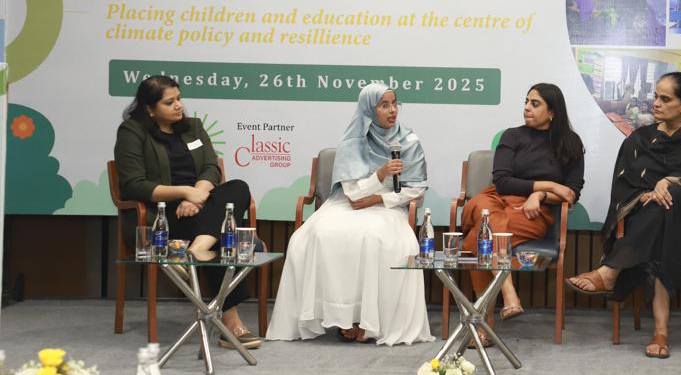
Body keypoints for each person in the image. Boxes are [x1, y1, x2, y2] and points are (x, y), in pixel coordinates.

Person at [566, 72, 681, 359]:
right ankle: (659, 332)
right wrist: (645, 195)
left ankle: (610, 271)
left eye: (665, 99)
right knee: (664, 213)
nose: (656, 103)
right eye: (656, 96)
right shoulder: (640, 139)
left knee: (671, 199)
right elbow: (625, 185)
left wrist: (673, 181)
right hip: (655, 220)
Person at [266, 83, 432, 345]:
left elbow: (416, 190)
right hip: (346, 203)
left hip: (388, 205)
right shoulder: (352, 141)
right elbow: (353, 193)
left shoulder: (409, 141)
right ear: (368, 109)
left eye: (394, 103)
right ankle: (343, 317)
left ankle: (368, 321)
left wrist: (380, 197)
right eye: (384, 105)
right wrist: (381, 174)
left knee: (374, 237)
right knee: (316, 234)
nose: (392, 110)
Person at [114, 75, 261, 349]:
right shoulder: (132, 132)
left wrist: (198, 196)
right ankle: (232, 325)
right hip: (160, 219)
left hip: (199, 211)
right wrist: (184, 192)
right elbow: (133, 184)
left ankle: (195, 250)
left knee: (238, 187)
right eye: (169, 102)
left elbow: (211, 167)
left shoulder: (193, 127)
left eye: (179, 98)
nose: (178, 105)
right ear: (149, 109)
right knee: (225, 237)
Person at [461, 84, 584, 329]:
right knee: (486, 214)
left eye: (535, 103)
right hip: (494, 198)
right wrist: (548, 185)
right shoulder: (512, 136)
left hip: (531, 212)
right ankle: (509, 293)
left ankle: (482, 324)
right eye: (526, 102)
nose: (527, 108)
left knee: (479, 238)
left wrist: (540, 196)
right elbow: (502, 182)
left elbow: (571, 193)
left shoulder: (570, 143)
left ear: (552, 112)